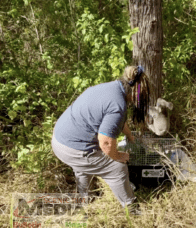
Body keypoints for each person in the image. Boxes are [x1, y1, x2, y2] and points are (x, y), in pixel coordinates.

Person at [51, 65, 150, 214]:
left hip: (60, 140)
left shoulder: (111, 87)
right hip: (73, 148)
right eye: (140, 97)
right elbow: (105, 143)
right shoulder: (118, 105)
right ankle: (132, 209)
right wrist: (119, 156)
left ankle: (86, 199)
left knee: (83, 167)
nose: (138, 101)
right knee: (117, 168)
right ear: (136, 92)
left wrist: (129, 136)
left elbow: (116, 120)